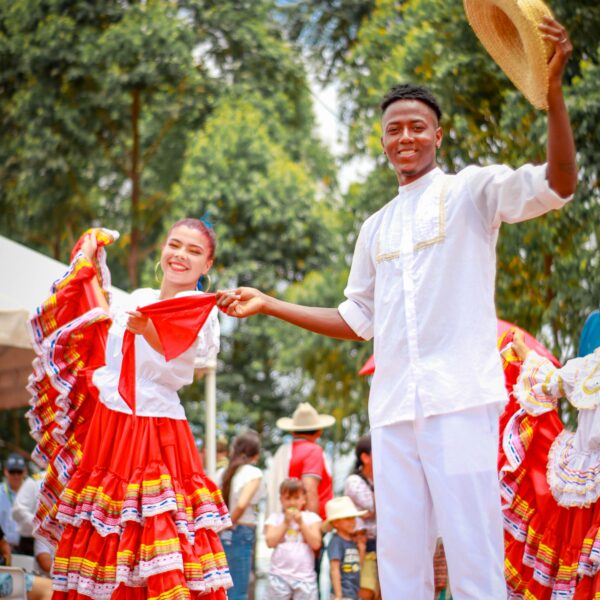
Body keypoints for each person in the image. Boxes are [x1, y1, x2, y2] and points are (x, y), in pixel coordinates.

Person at [216, 15, 576, 598]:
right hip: (392, 411)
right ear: (383, 141)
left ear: (439, 136)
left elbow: (560, 182)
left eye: (416, 127)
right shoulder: (373, 228)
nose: (404, 137)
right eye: (394, 129)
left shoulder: (472, 193)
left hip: (460, 400)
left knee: (473, 550)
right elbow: (358, 321)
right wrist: (268, 305)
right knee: (401, 558)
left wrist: (553, 94)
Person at [26, 220, 231, 598]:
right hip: (109, 425)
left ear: (208, 265)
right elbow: (105, 325)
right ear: (163, 249)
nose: (181, 255)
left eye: (194, 251)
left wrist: (148, 329)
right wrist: (88, 267)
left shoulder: (200, 309)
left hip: (154, 430)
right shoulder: (138, 295)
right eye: (175, 245)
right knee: (105, 528)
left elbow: (181, 353)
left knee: (152, 527)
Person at [216, 430, 263, 600]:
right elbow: (243, 504)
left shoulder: (222, 473)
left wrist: (221, 527)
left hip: (221, 533)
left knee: (221, 588)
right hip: (241, 531)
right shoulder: (253, 473)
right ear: (255, 454)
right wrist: (229, 523)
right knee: (238, 591)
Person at [264, 478, 322, 600]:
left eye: (296, 498)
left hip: (305, 577)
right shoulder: (274, 518)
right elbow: (270, 542)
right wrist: (285, 522)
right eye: (288, 498)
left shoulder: (312, 518)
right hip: (279, 575)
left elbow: (316, 544)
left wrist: (301, 523)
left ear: (304, 499)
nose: (292, 502)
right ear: (281, 500)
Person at [343, 435, 378, 600]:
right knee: (364, 591)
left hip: (380, 545)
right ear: (364, 457)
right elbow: (372, 506)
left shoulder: (378, 480)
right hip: (360, 546)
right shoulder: (354, 481)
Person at [325, 497, 367, 600]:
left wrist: (361, 551)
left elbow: (358, 567)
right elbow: (334, 569)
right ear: (335, 523)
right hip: (343, 594)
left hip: (353, 593)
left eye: (353, 518)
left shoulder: (352, 542)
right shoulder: (337, 542)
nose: (353, 522)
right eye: (348, 519)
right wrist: (339, 595)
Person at [12, 474, 53, 574]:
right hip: (29, 539)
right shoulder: (35, 481)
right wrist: (41, 525)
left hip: (44, 533)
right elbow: (18, 511)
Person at [0, 454, 26, 553]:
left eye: (19, 472)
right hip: (2, 549)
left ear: (24, 472)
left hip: (25, 550)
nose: (16, 475)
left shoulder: (32, 493)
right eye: (12, 471)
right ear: (6, 471)